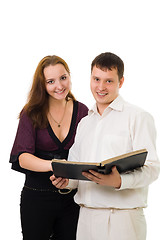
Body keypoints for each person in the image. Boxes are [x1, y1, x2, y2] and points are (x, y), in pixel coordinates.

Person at [50, 52, 160, 240]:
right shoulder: (85, 122)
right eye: (96, 79)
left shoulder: (137, 117)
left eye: (109, 81)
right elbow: (76, 167)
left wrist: (119, 182)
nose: (101, 87)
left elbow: (153, 168)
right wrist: (67, 182)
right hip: (86, 219)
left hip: (122, 220)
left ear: (121, 82)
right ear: (90, 78)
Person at [9, 55, 88, 240]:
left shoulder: (83, 111)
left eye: (63, 78)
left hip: (73, 198)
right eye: (50, 81)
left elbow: (88, 152)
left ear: (69, 76)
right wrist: (55, 165)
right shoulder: (31, 112)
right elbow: (22, 157)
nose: (59, 86)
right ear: (42, 84)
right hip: (37, 198)